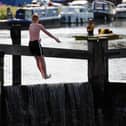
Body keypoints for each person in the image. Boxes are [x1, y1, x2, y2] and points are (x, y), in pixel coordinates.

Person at [29, 14, 60, 79]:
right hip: (36, 44)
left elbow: (32, 35)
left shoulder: (30, 25)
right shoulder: (39, 25)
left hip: (30, 44)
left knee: (37, 60)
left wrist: (38, 40)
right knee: (42, 59)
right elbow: (47, 33)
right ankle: (45, 75)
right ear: (38, 19)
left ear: (32, 19)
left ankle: (42, 75)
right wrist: (55, 38)